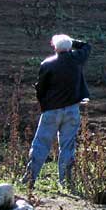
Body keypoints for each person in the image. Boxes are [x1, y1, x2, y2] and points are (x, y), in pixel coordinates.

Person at [23, 34, 91, 186]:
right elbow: (87, 46)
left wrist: (44, 106)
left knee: (40, 144)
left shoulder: (47, 64)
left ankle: (29, 179)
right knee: (68, 147)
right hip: (72, 110)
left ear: (55, 47)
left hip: (52, 110)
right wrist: (71, 42)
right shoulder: (77, 58)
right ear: (68, 47)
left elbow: (40, 89)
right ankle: (66, 182)